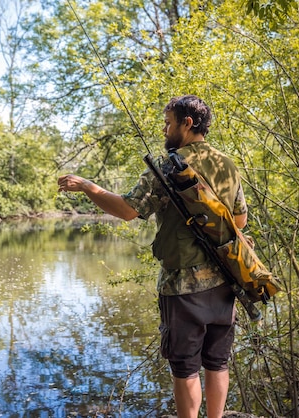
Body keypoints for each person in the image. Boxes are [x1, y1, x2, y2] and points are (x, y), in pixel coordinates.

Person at [57, 94, 248, 418]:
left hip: (183, 285)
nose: (164, 129)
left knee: (185, 366)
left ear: (187, 124)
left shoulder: (169, 168)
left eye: (168, 123)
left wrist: (89, 187)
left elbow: (128, 210)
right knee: (217, 360)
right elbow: (240, 220)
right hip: (227, 279)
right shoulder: (225, 164)